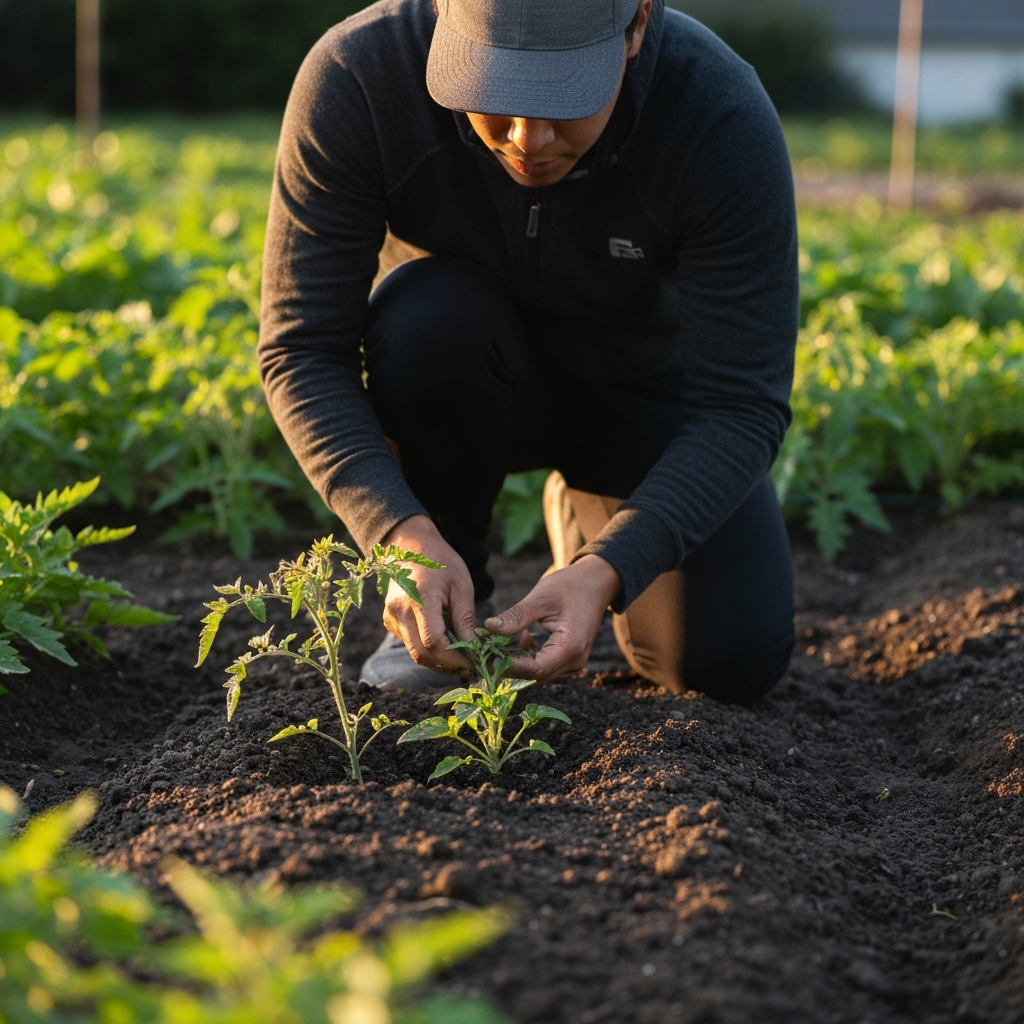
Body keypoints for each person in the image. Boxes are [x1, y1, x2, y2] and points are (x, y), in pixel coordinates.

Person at [258, 0, 798, 704]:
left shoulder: (716, 113)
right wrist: (398, 533)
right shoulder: (360, 77)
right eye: (495, 95)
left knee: (727, 661)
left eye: (565, 98)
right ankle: (441, 601)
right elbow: (302, 349)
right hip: (456, 373)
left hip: (636, 390)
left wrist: (609, 564)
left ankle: (590, 518)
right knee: (430, 315)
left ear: (636, 25)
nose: (526, 138)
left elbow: (741, 406)